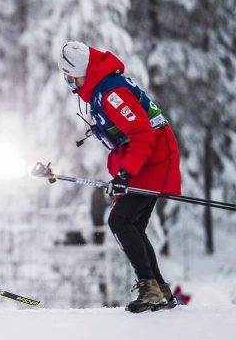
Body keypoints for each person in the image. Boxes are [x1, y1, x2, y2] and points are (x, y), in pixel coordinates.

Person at [56, 41, 181, 313]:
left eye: (69, 77)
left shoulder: (112, 93)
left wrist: (126, 173)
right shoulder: (101, 90)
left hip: (154, 159)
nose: (68, 83)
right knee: (131, 224)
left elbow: (143, 135)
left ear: (80, 72)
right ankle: (159, 289)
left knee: (120, 221)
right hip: (148, 159)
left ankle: (150, 289)